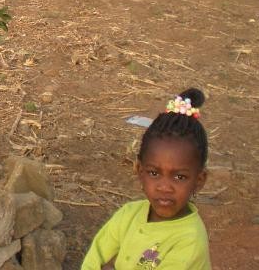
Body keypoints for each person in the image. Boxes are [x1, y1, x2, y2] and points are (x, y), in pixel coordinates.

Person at [81, 88, 211, 269]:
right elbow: (95, 256)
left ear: (199, 180)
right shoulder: (129, 215)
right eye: (154, 173)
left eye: (180, 177)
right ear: (139, 170)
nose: (165, 187)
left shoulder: (190, 240)